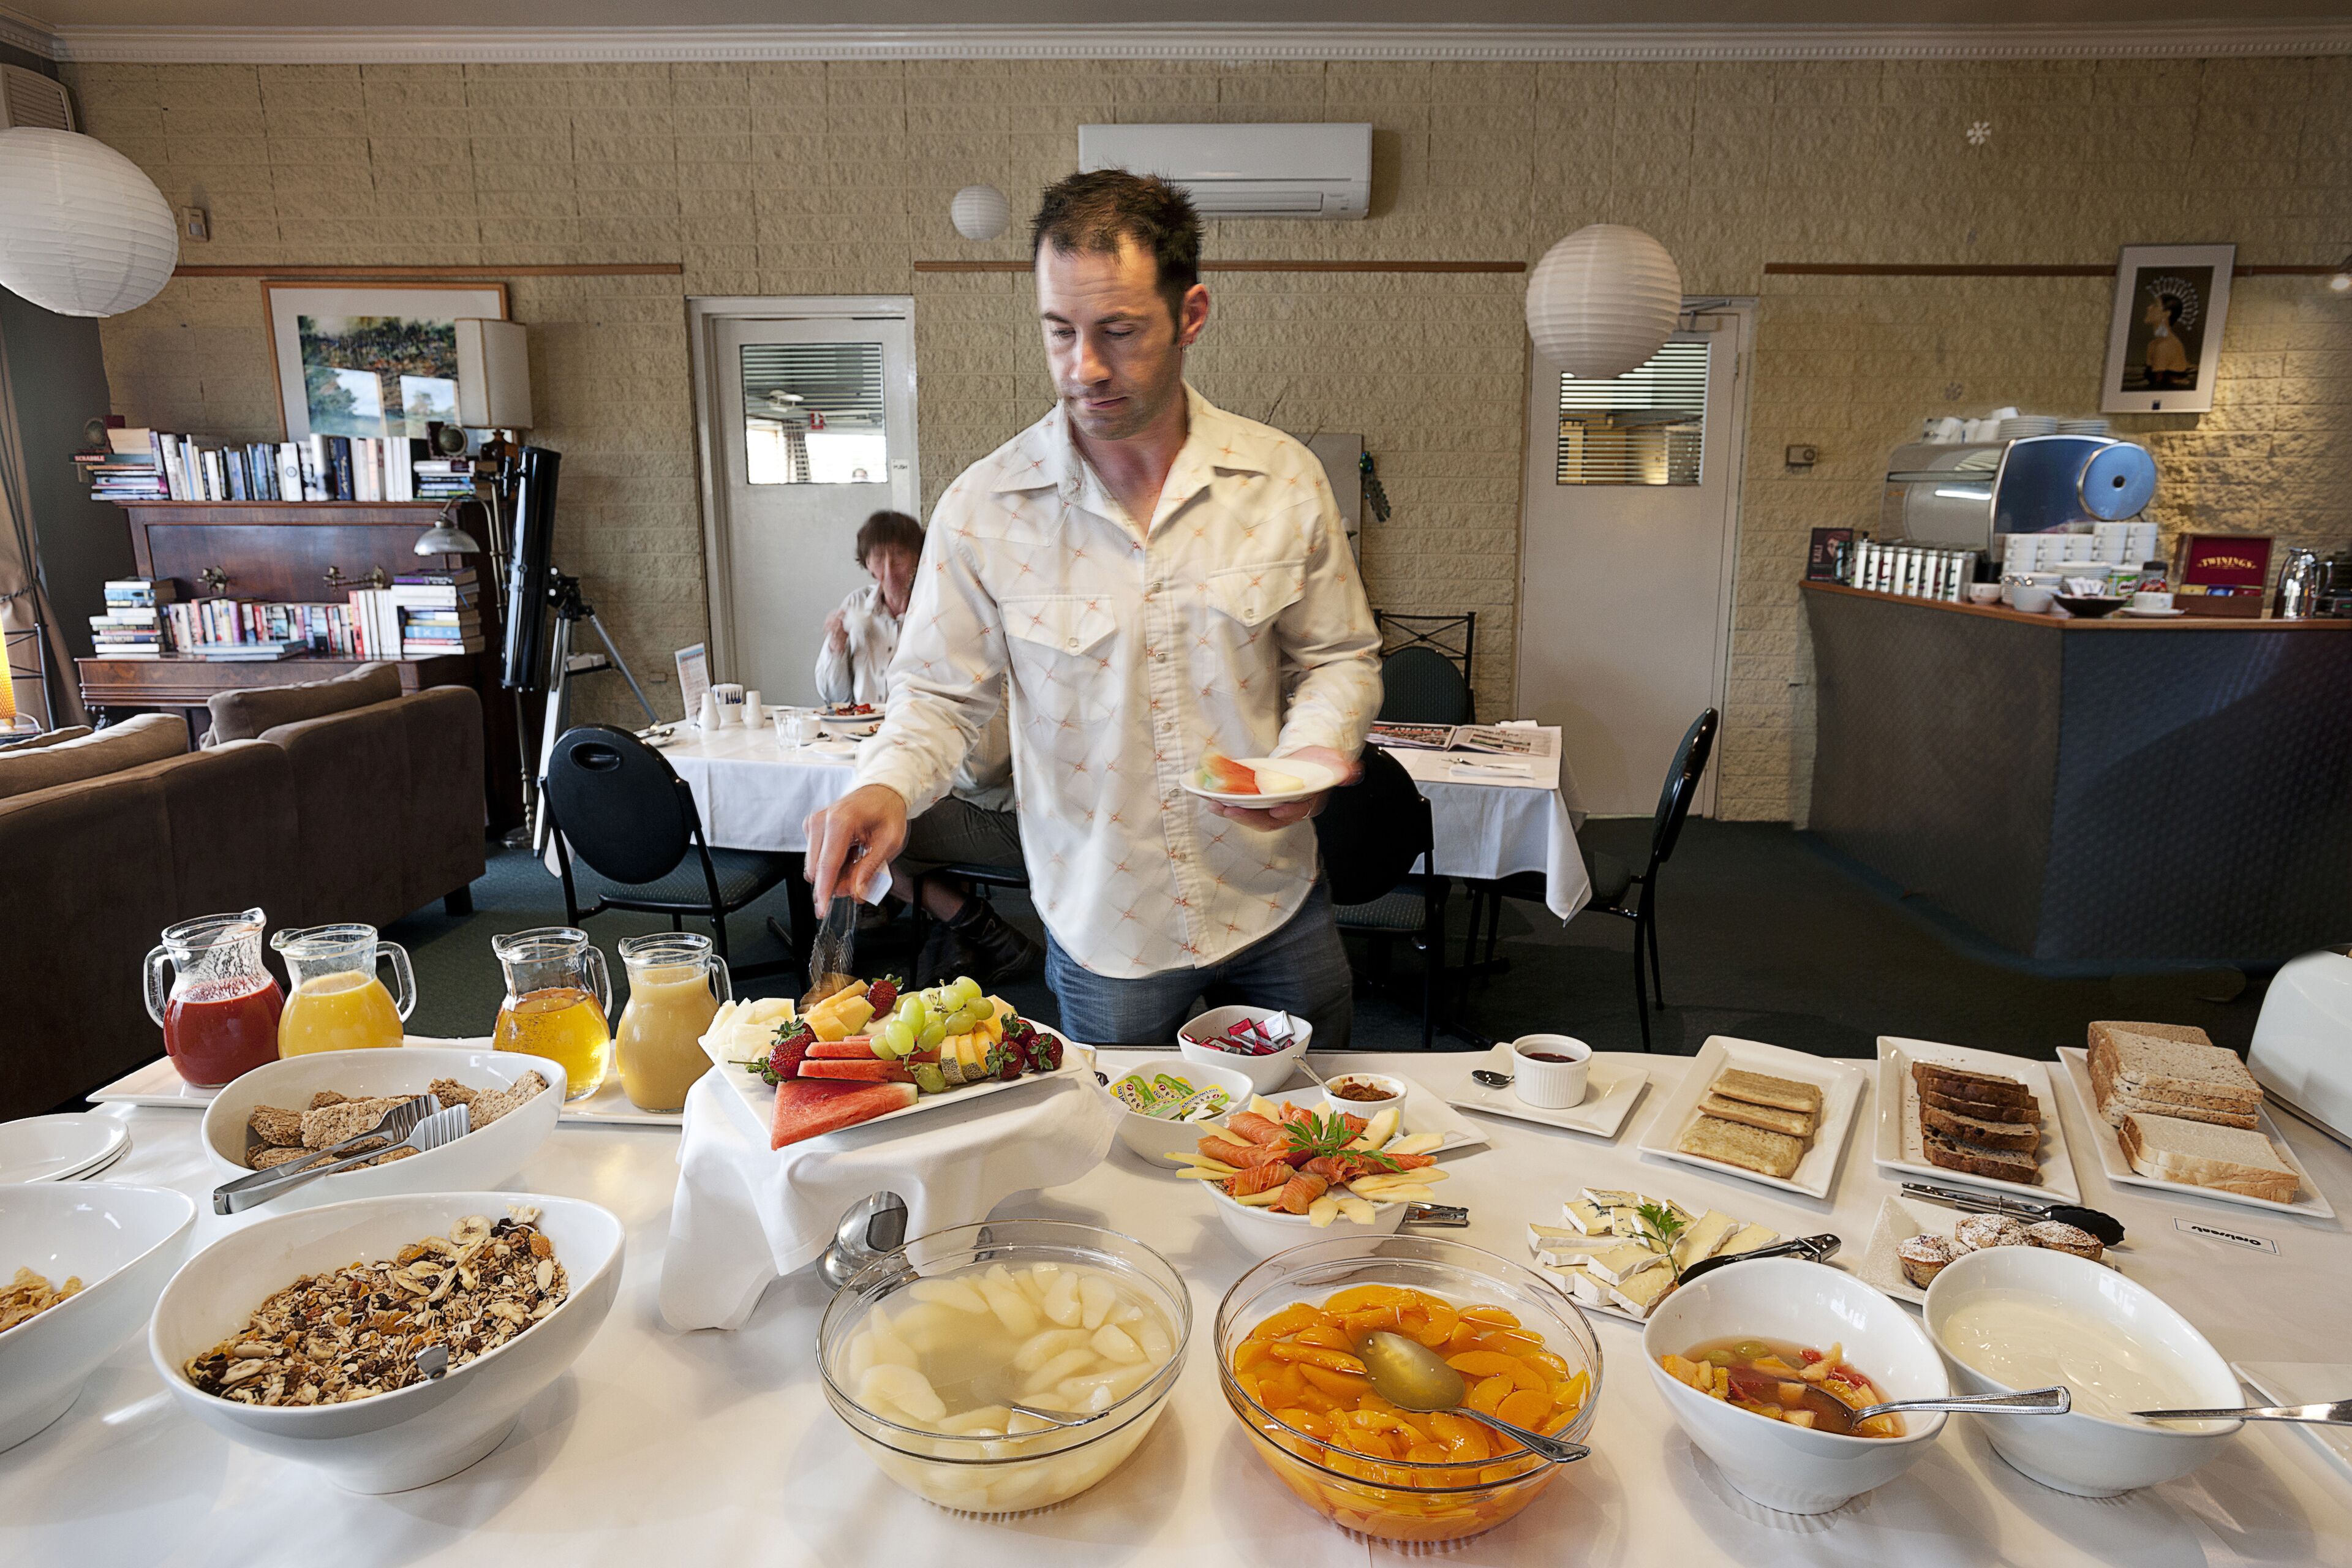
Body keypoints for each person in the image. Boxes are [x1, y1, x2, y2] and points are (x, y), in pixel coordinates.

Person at [803, 170, 1382, 1047]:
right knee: (1118, 1165)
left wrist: (1312, 750)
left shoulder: (1282, 479)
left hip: (1274, 901)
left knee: (1315, 1144)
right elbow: (937, 696)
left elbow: (1337, 655)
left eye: (1120, 331)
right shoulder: (984, 507)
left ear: (1191, 315)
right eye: (1060, 331)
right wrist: (885, 782)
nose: (1086, 367)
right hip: (1104, 920)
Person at [816, 510, 1041, 987]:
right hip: (901, 754)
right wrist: (836, 647)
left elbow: (982, 767)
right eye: (880, 556)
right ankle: (975, 934)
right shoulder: (859, 609)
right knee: (875, 816)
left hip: (1003, 804)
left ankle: (981, 933)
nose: (891, 567)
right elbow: (834, 694)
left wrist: (923, 758)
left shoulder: (955, 619)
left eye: (901, 554)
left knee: (875, 831)